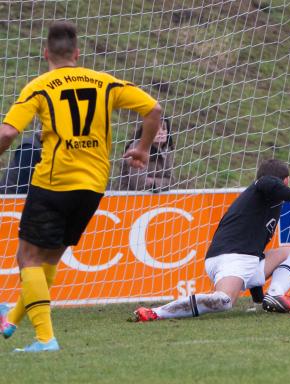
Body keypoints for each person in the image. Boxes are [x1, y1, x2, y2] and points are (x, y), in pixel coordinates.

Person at [0, 21, 162, 352]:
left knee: (27, 256)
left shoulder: (41, 86)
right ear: (77, 53)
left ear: (46, 53)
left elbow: (6, 133)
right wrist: (143, 148)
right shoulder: (105, 83)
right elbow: (153, 109)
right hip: (92, 187)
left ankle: (45, 339)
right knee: (48, 259)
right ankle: (13, 318)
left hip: (54, 181)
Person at [132, 159, 290, 322]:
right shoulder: (261, 187)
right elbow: (267, 183)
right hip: (230, 257)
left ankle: (274, 296)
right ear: (286, 181)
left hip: (243, 258)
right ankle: (156, 312)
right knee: (223, 301)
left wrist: (258, 302)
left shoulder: (268, 203)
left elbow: (255, 253)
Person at [119, 117, 174, 192]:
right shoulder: (136, 148)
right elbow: (140, 184)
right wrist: (161, 183)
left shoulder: (166, 150)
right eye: (156, 128)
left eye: (164, 129)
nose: (161, 132)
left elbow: (172, 182)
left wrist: (152, 182)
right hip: (127, 199)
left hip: (155, 201)